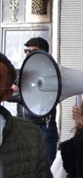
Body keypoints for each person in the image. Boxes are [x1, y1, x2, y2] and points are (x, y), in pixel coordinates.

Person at [11, 37, 60, 166]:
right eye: (26, 51)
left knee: (43, 169)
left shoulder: (51, 73)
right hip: (22, 125)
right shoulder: (19, 73)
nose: (27, 54)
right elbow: (6, 92)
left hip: (43, 126)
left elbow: (36, 96)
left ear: (43, 54)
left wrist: (20, 91)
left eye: (32, 51)